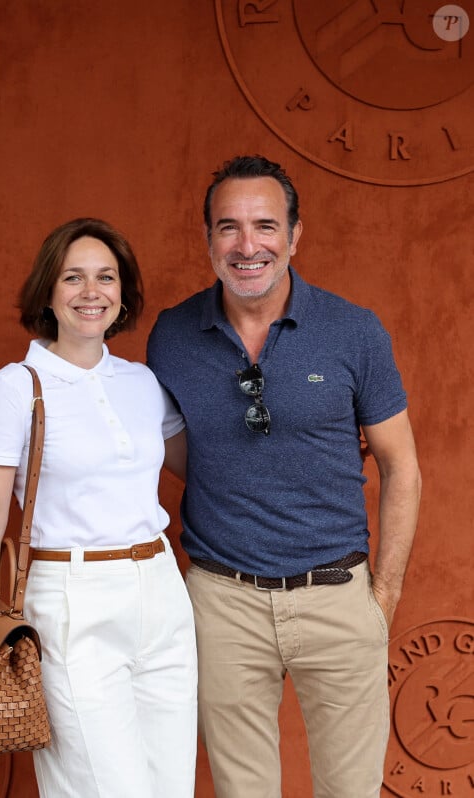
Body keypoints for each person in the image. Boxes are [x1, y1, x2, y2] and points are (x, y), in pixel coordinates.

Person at [147, 155, 421, 798]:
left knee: (351, 791)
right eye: (229, 227)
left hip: (338, 594)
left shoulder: (353, 331)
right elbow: (179, 452)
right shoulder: (172, 335)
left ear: (295, 236)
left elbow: (401, 466)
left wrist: (381, 599)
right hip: (223, 603)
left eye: (266, 226)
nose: (248, 246)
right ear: (208, 238)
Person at [0, 218, 198, 798]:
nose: (91, 292)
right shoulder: (14, 387)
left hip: (160, 593)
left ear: (123, 294)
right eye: (73, 277)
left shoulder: (143, 383)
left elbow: (200, 467)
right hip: (72, 599)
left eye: (106, 278)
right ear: (48, 293)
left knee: (171, 787)